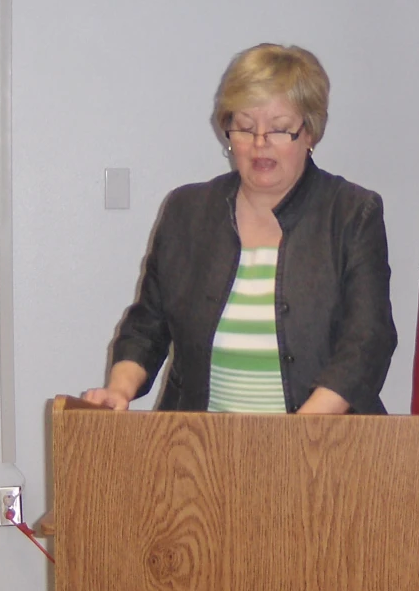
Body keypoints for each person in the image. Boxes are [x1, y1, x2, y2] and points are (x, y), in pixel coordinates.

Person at [82, 43, 397, 415]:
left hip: (321, 451)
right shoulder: (187, 212)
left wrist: (302, 432)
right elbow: (147, 325)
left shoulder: (351, 213)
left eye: (279, 130)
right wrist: (120, 390)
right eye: (245, 128)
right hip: (198, 449)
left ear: (310, 133)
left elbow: (367, 340)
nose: (259, 145)